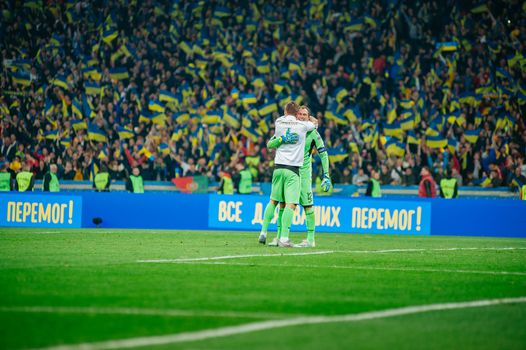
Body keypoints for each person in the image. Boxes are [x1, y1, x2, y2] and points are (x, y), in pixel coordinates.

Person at [265, 105, 330, 247]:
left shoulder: (313, 133)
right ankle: (280, 237)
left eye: (304, 115)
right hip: (289, 171)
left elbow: (323, 153)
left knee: (307, 206)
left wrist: (326, 175)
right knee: (283, 205)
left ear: (308, 118)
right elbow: (271, 142)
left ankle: (310, 239)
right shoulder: (289, 128)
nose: (301, 116)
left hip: (304, 174)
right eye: (299, 114)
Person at [258, 101, 316, 247]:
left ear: (285, 111)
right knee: (290, 205)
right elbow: (314, 123)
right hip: (293, 170)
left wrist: (282, 138)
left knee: (273, 201)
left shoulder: (278, 122)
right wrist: (310, 119)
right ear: (297, 114)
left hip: (278, 168)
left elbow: (271, 143)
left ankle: (263, 233)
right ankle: (284, 238)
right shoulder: (303, 126)